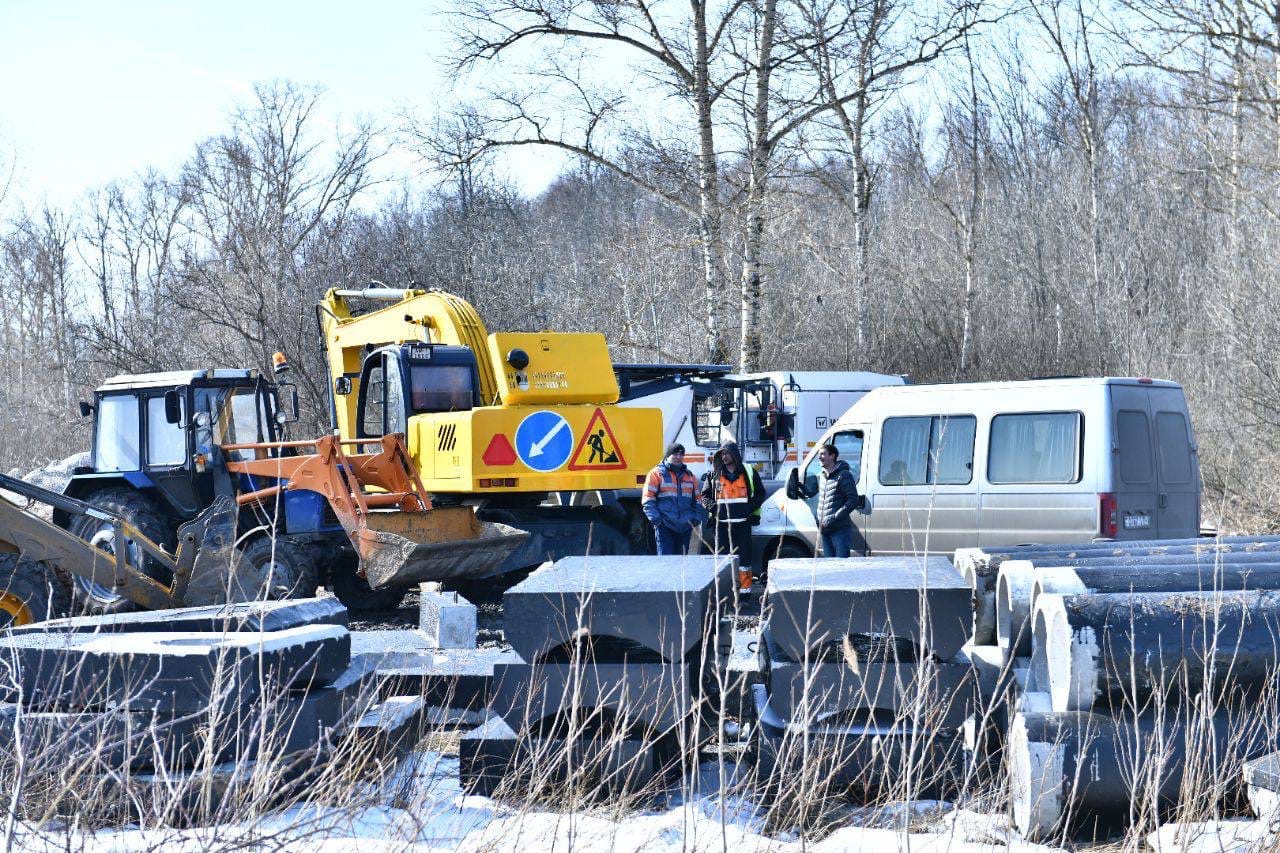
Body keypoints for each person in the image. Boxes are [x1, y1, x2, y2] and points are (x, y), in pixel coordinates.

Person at [702, 440, 766, 573]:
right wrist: (714, 509)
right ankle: (726, 593)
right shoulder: (713, 475)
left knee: (744, 564)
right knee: (722, 564)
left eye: (727, 453)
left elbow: (760, 494)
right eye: (722, 454)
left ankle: (744, 593)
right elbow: (704, 497)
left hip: (742, 526)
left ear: (735, 454)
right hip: (721, 528)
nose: (724, 456)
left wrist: (747, 509)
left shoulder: (749, 472)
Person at [641, 443, 706, 555]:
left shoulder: (690, 476)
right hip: (665, 526)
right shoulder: (656, 474)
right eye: (675, 454)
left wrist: (695, 519)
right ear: (667, 455)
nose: (678, 457)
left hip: (685, 527)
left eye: (681, 454)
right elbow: (648, 499)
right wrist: (658, 521)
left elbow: (698, 500)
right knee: (667, 564)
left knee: (682, 565)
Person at [813, 442, 866, 557]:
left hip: (840, 530)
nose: (819, 457)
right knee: (830, 568)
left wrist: (833, 517)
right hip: (825, 530)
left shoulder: (844, 475)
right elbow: (822, 500)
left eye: (822, 454)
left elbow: (853, 500)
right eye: (819, 454)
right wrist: (817, 517)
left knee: (841, 565)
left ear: (832, 456)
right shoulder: (822, 476)